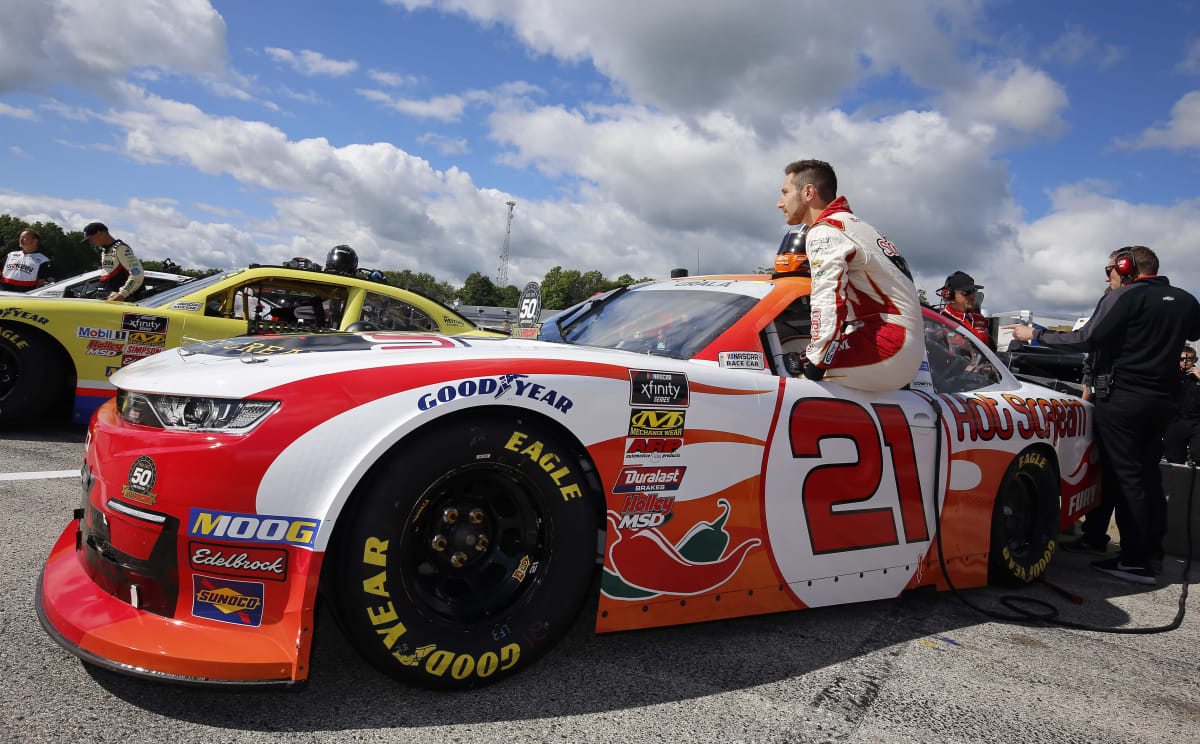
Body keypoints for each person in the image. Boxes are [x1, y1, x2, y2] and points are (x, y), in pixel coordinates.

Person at [1006, 246, 1200, 584]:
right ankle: (1147, 552)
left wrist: (1034, 334)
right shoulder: (1185, 299)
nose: (1107, 276)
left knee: (1127, 479)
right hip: (1164, 402)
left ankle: (1136, 562)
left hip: (1123, 399)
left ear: (1126, 267)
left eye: (1109, 270)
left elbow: (1086, 338)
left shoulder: (1125, 296)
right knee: (1146, 476)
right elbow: (1193, 334)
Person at [776, 159, 923, 391]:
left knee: (786, 375)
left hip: (887, 343)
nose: (779, 203)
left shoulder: (825, 230)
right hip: (900, 344)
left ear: (808, 193)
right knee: (797, 354)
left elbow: (827, 298)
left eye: (785, 193)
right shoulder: (854, 225)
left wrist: (816, 361)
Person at [81, 222, 144, 301]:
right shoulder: (105, 252)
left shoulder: (121, 249)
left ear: (99, 233)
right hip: (107, 299)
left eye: (91, 238)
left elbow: (137, 275)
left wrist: (122, 294)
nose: (91, 242)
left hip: (121, 302)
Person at [1163, 345, 1200, 464]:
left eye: (1189, 359)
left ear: (1195, 360)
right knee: (1174, 458)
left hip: (1197, 422)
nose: (1185, 362)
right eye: (1182, 359)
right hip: (1176, 421)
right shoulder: (1171, 375)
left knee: (1198, 455)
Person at [937, 271, 989, 345]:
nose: (972, 296)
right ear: (950, 294)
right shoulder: (938, 319)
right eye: (966, 292)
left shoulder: (980, 318)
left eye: (973, 291)